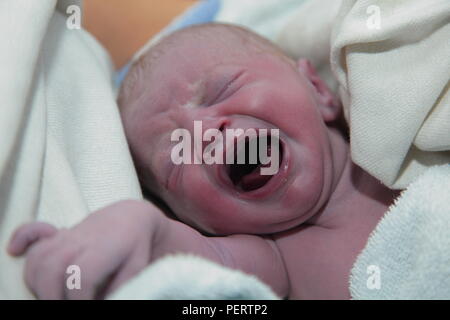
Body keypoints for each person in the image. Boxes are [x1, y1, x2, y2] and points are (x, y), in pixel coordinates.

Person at [7, 24, 397, 299]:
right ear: (195, 220)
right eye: (176, 158)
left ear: (317, 89)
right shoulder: (275, 260)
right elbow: (189, 256)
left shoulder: (399, 139)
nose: (203, 132)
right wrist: (136, 225)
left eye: (222, 89)